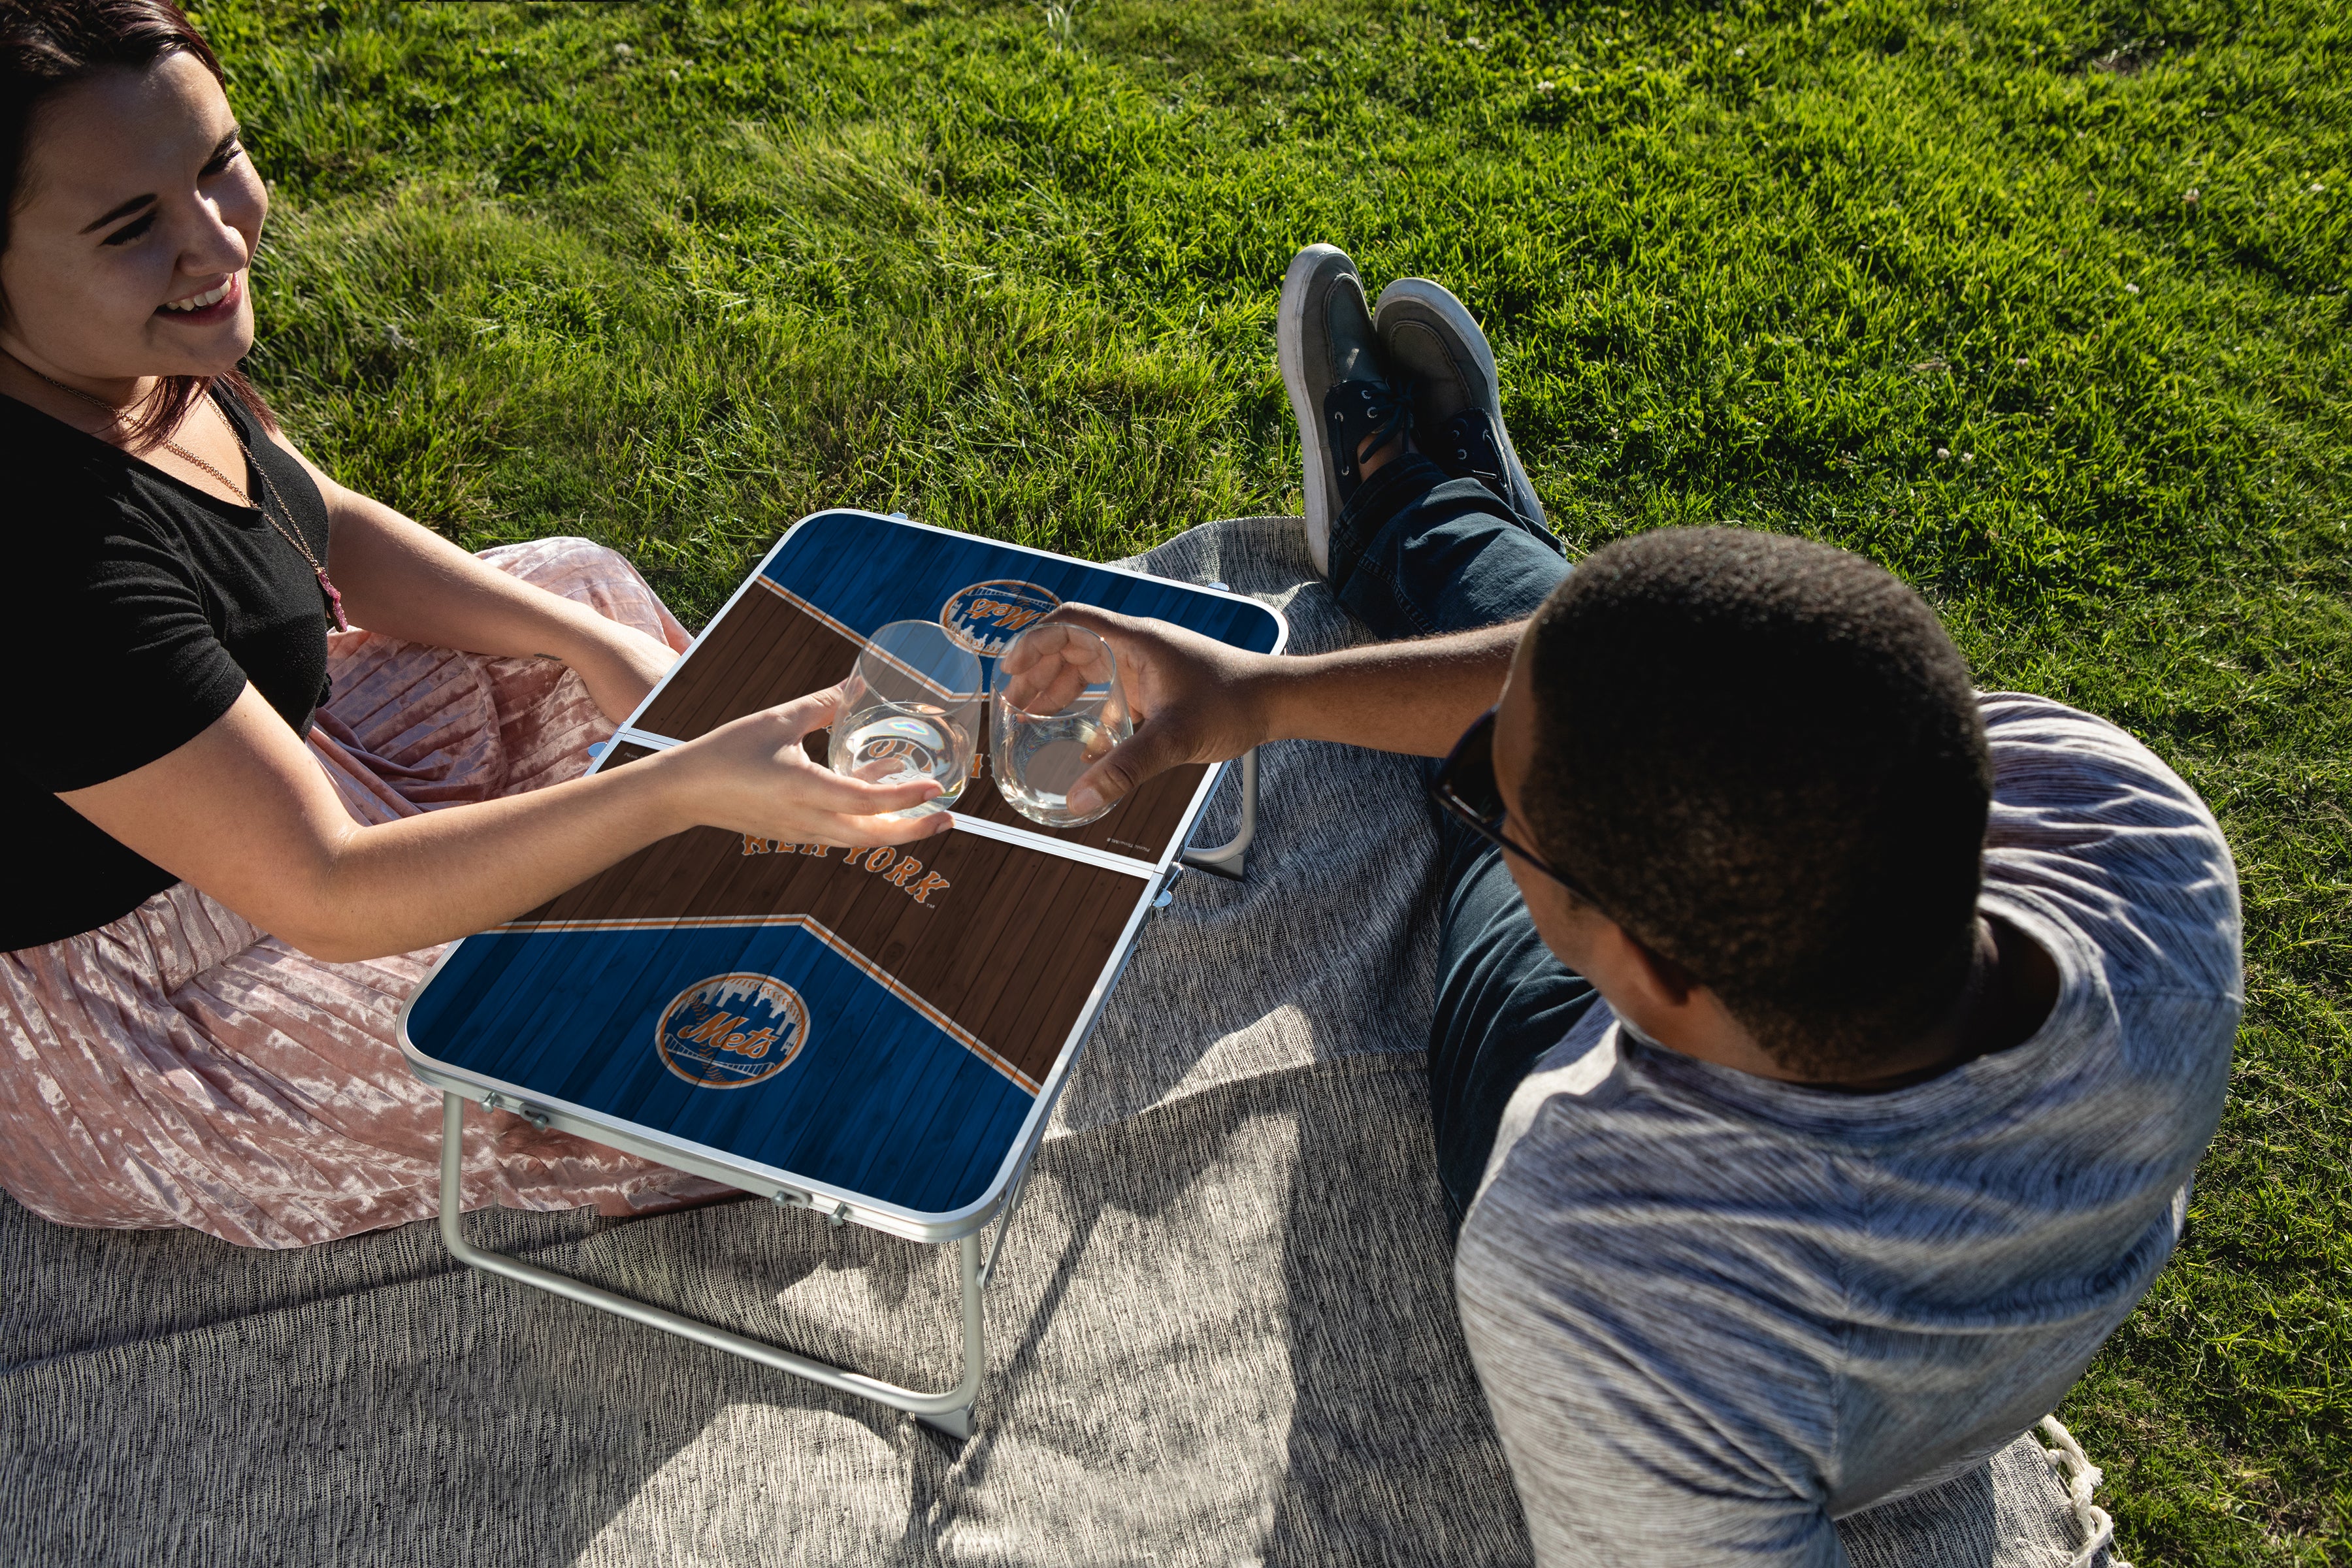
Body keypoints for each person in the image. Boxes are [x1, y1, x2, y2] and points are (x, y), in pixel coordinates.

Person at [1045, 243, 2240, 1564]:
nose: (1480, 808)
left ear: (1646, 971)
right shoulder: (2134, 827)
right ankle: (1445, 526)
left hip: (1576, 1076)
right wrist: (1257, 697)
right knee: (1619, 671)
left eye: (1497, 811)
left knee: (1529, 782)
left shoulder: (1604, 1260)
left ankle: (1428, 521)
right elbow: (1706, 694)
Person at [0, 0, 950, 1248]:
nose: (217, 236)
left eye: (218, 161)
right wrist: (674, 792)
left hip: (284, 773)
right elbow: (328, 892)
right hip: (164, 1000)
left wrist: (591, 647)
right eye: (133, 226)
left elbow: (313, 521)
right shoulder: (41, 554)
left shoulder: (122, 356)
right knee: (697, 1047)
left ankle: (735, 848)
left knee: (575, 589)